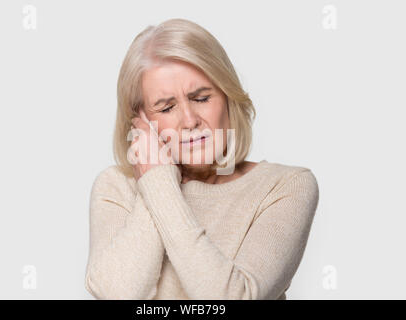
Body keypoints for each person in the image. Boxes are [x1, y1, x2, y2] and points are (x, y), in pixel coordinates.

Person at [84, 18, 319, 300]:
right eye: (167, 106)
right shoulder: (116, 188)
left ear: (228, 96)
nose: (190, 120)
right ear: (140, 121)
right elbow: (116, 295)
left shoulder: (284, 187)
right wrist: (156, 178)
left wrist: (159, 184)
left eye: (201, 98)